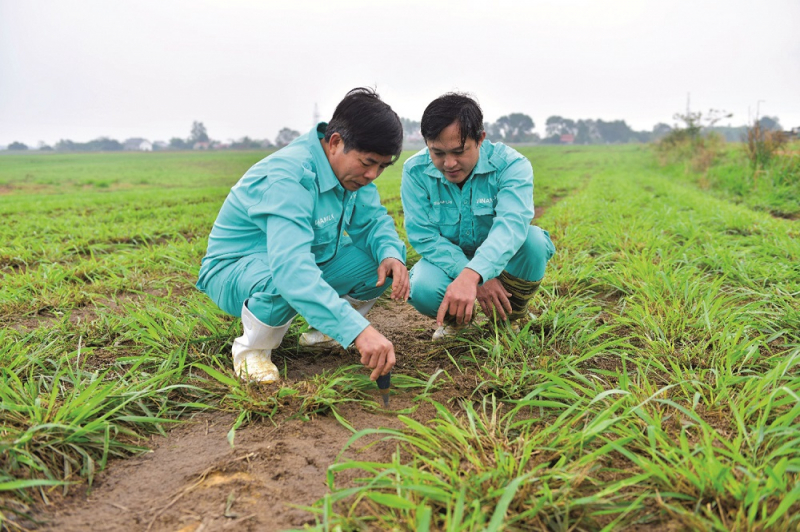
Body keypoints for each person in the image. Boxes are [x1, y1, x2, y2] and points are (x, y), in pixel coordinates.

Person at [196, 88, 409, 383]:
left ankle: (324, 331)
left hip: (301, 259)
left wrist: (390, 253)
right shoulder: (290, 178)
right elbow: (291, 271)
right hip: (234, 268)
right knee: (283, 281)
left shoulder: (353, 176)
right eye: (368, 162)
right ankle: (252, 351)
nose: (373, 175)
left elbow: (373, 222)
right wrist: (359, 330)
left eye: (382, 167)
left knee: (379, 261)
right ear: (335, 142)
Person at [401, 93, 555, 340]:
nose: (449, 163)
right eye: (437, 153)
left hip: (500, 258)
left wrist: (478, 273)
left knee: (533, 242)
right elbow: (424, 235)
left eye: (459, 151)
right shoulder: (415, 171)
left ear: (480, 139)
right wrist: (473, 275)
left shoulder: (511, 165)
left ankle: (508, 318)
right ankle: (459, 321)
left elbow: (511, 227)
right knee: (422, 287)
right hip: (450, 260)